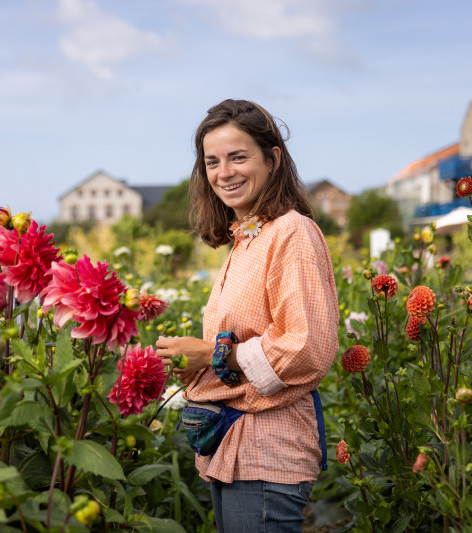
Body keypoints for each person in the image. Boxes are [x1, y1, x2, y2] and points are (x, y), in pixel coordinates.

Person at [155, 99, 339, 533]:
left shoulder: (291, 232)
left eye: (239, 157)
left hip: (266, 450)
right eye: (212, 162)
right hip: (234, 449)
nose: (225, 172)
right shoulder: (248, 238)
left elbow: (307, 348)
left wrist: (213, 354)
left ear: (272, 159)